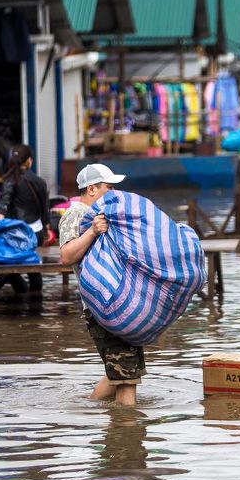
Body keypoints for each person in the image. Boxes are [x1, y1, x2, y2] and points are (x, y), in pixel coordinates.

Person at [59, 163, 142, 406]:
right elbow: (66, 255)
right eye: (109, 187)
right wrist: (93, 231)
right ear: (92, 189)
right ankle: (127, 435)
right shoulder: (77, 214)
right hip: (103, 308)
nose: (113, 192)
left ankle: (89, 411)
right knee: (127, 381)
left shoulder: (105, 215)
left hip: (119, 305)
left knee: (118, 374)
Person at [0, 144, 51, 295]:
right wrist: (47, 229)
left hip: (17, 233)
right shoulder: (39, 181)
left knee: (11, 266)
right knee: (32, 261)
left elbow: (4, 203)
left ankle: (22, 294)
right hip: (36, 234)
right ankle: (35, 301)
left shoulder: (10, 180)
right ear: (29, 161)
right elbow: (45, 211)